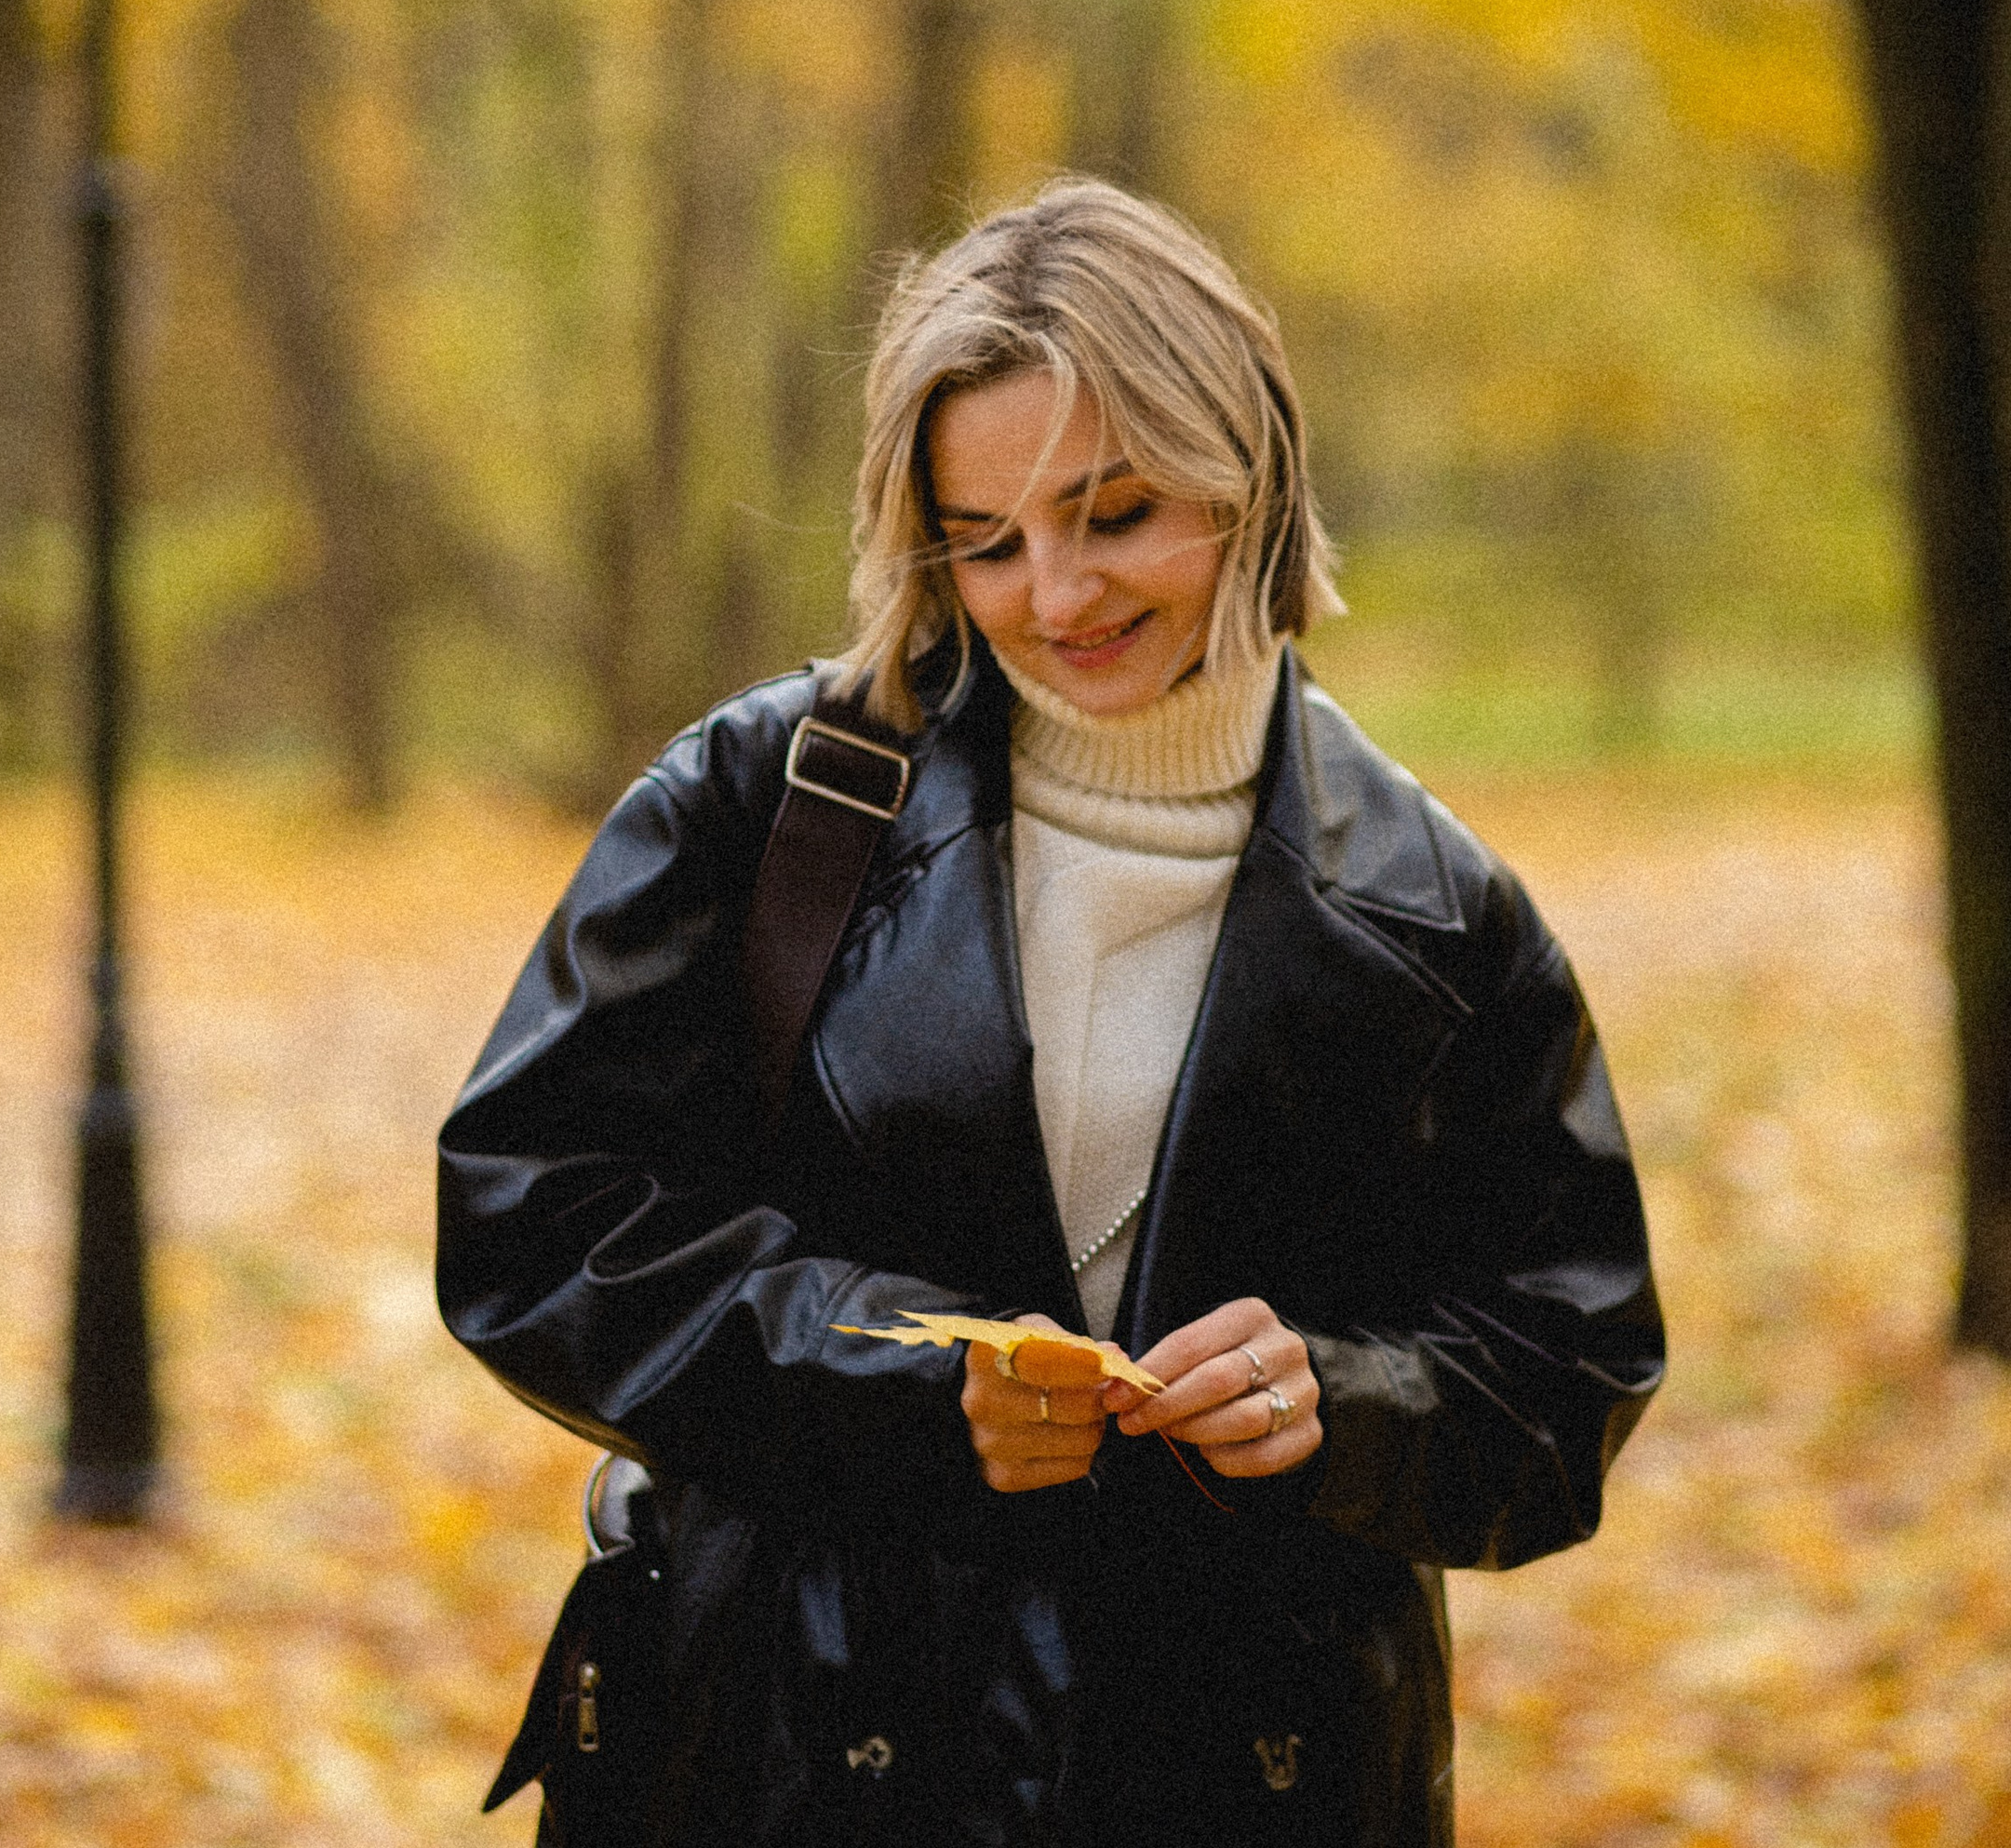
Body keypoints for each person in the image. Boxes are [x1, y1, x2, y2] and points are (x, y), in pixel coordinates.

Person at [437, 178, 1663, 1848]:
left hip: (1252, 1778)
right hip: (802, 1755)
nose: (1056, 596)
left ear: (1251, 478)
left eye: (1117, 512)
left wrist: (1342, 1405)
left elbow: (1569, 1368)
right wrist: (886, 1380)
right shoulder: (770, 806)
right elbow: (527, 1218)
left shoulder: (1438, 915)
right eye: (986, 538)